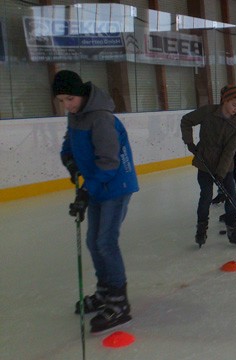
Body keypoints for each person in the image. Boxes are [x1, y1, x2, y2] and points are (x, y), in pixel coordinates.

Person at [53, 70, 139, 333]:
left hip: (115, 185)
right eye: (62, 101)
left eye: (70, 99)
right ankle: (105, 291)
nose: (67, 105)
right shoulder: (75, 116)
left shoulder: (101, 118)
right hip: (95, 185)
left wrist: (85, 191)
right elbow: (70, 144)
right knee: (93, 241)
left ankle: (119, 301)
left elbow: (110, 162)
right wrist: (69, 161)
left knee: (105, 241)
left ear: (81, 94)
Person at [181, 85, 236, 247]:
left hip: (225, 165)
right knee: (205, 196)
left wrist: (221, 173)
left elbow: (229, 150)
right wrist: (189, 142)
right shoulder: (208, 112)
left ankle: (233, 231)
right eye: (234, 105)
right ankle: (201, 229)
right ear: (224, 100)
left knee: (231, 195)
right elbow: (186, 121)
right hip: (204, 163)